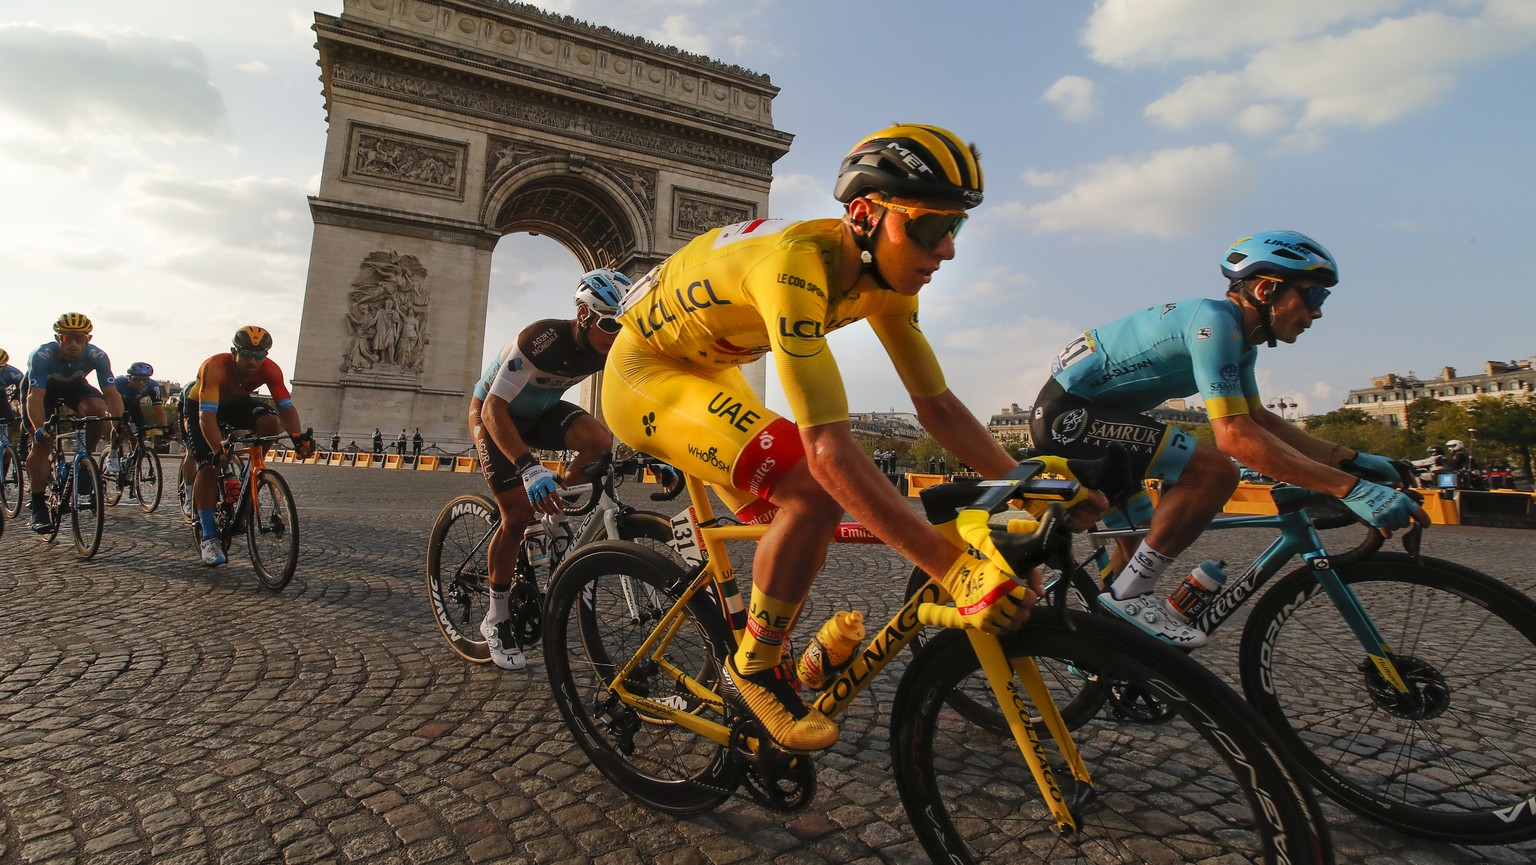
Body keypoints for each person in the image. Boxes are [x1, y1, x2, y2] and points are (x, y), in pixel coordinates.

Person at [600, 123, 1054, 753]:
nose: (947, 249)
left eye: (958, 228)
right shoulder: (795, 267)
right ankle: (754, 669)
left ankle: (789, 660)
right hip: (646, 375)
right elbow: (830, 453)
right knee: (812, 488)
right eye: (929, 228)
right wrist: (952, 568)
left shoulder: (888, 281)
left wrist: (1026, 482)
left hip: (711, 363)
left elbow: (939, 409)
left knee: (795, 515)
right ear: (864, 215)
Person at [1029, 230, 1425, 647]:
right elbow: (1234, 438)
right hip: (1070, 416)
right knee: (1214, 472)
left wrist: (1352, 461)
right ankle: (1129, 597)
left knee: (1140, 545)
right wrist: (1350, 489)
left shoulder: (1240, 342)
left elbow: (1258, 419)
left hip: (1092, 416)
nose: (1317, 313)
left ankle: (1108, 656)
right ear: (1267, 289)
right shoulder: (1215, 323)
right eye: (1314, 298)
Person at [470, 268, 629, 670]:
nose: (617, 335)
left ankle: (556, 499)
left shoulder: (616, 344)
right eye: (610, 324)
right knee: (517, 514)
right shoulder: (540, 338)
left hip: (540, 412)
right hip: (494, 414)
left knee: (599, 441)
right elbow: (493, 408)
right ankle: (496, 615)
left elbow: (641, 395)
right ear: (583, 315)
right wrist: (527, 467)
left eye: (624, 324)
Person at [179, 326, 314, 565]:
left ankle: (254, 468)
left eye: (260, 355)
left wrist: (298, 437)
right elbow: (206, 419)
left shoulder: (271, 369)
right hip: (202, 406)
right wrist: (217, 450)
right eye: (248, 354)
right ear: (234, 351)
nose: (254, 361)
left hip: (237, 403)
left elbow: (286, 408)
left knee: (269, 421)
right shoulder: (215, 366)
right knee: (209, 467)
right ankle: (209, 538)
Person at [23, 314, 127, 533]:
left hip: (74, 386)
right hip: (42, 393)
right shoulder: (42, 355)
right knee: (41, 444)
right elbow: (35, 397)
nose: (73, 344)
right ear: (58, 338)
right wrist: (39, 428)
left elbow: (112, 394)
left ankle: (83, 461)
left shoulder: (97, 355)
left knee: (98, 409)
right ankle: (38, 507)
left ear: (88, 339)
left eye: (79, 339)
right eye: (67, 338)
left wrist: (118, 424)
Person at [105, 362, 168, 474]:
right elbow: (112, 404)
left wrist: (165, 429)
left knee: (138, 434)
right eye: (137, 379)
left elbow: (158, 409)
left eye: (145, 380)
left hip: (134, 405)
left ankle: (133, 460)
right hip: (117, 404)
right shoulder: (119, 383)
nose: (141, 383)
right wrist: (120, 424)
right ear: (129, 378)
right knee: (121, 429)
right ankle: (112, 455)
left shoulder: (153, 386)